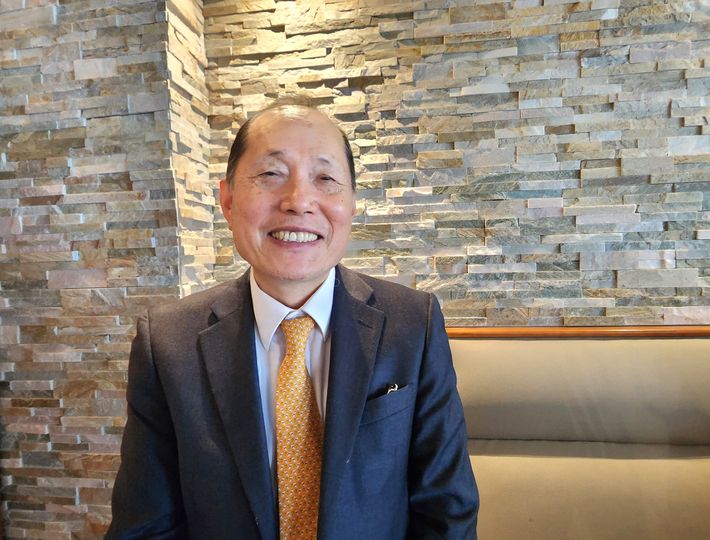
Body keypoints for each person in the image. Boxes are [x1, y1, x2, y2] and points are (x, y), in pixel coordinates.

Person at [106, 100, 479, 539]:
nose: (299, 201)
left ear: (352, 203)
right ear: (227, 199)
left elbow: (446, 511)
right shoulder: (167, 343)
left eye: (326, 178)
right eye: (270, 174)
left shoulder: (414, 325)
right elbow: (146, 526)